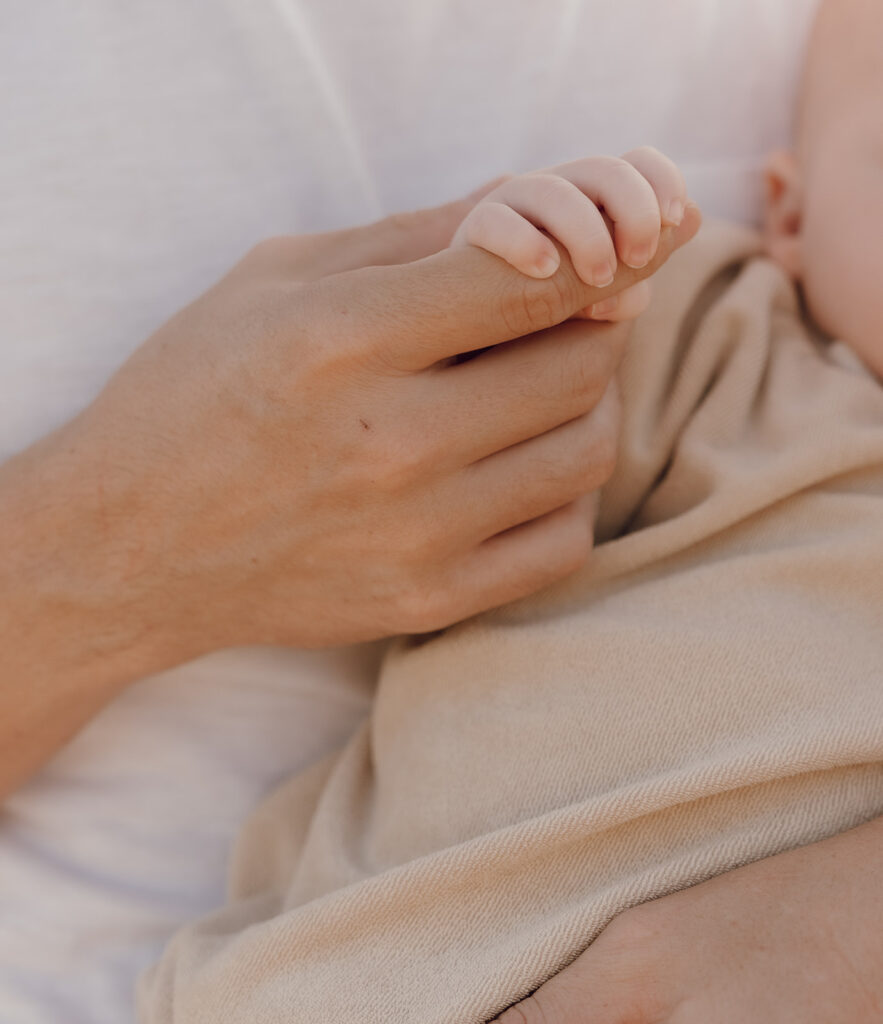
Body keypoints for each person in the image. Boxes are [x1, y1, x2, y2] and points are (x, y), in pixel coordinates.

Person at [136, 0, 883, 1020]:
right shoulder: (732, 351)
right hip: (394, 959)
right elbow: (414, 444)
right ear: (794, 218)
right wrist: (544, 261)